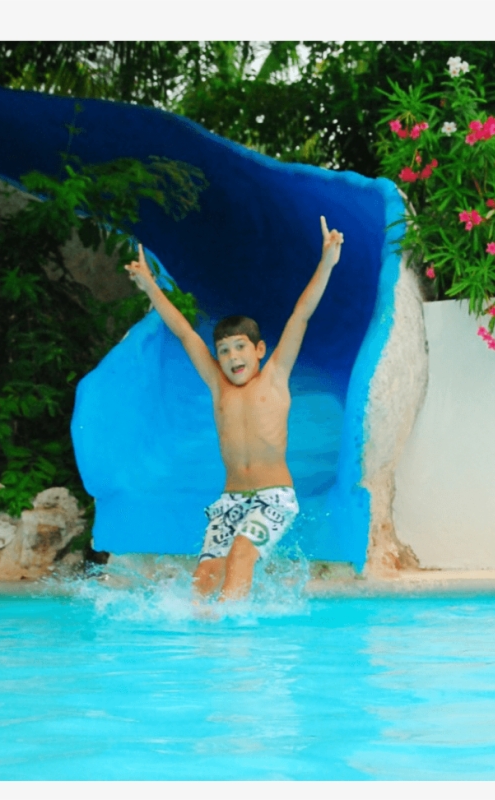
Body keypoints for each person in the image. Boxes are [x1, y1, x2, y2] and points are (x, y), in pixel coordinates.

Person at [124, 216, 344, 601]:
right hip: (230, 500)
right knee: (205, 576)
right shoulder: (217, 385)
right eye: (224, 351)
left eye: (240, 347)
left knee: (242, 554)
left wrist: (326, 262)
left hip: (273, 497)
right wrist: (150, 287)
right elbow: (184, 332)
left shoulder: (275, 376)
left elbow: (301, 315)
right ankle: (203, 636)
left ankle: (233, 639)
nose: (232, 356)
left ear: (259, 351)